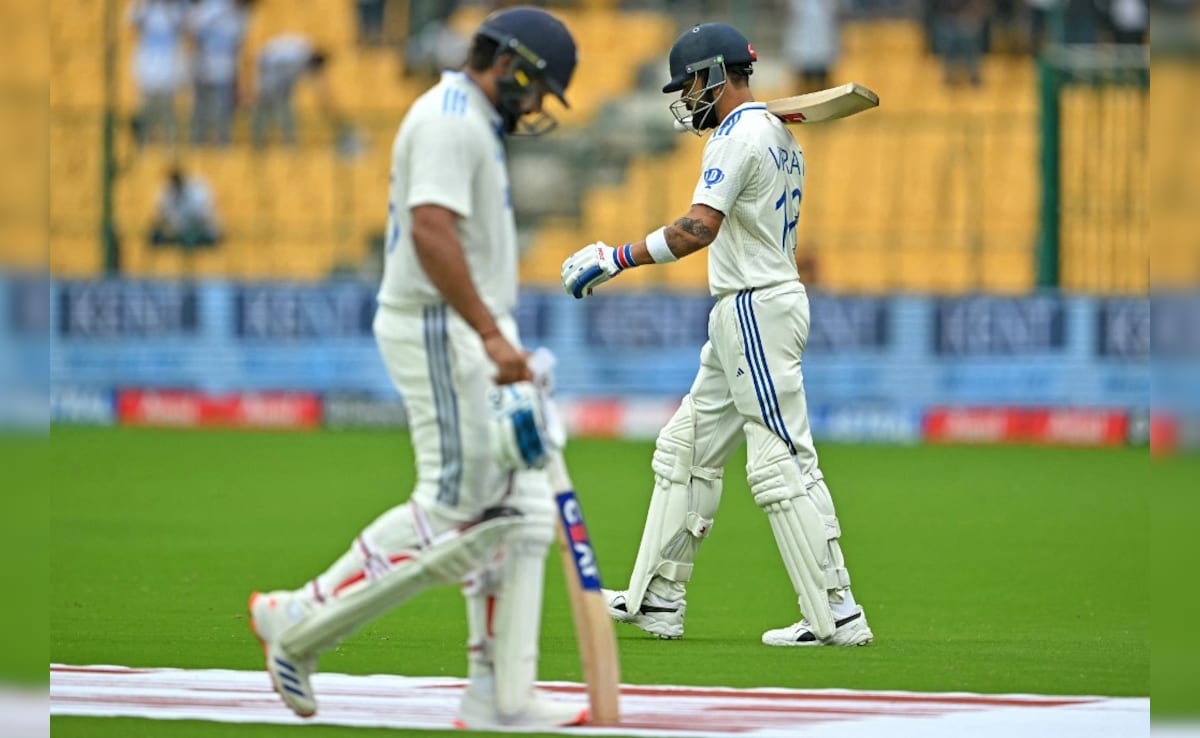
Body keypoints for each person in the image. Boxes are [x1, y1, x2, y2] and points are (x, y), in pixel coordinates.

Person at [248, 6, 586, 729]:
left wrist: (499, 333)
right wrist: (490, 335)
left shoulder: (469, 120)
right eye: (537, 88)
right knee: (460, 510)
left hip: (462, 326)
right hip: (439, 324)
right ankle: (299, 622)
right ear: (512, 66)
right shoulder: (449, 119)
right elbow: (431, 230)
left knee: (521, 512)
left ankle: (499, 694)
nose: (536, 105)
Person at [560, 23, 873, 648]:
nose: (686, 98)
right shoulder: (775, 133)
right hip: (747, 309)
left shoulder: (737, 135)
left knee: (781, 461)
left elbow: (698, 228)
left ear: (712, 75)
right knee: (686, 449)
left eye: (689, 84)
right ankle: (658, 598)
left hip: (755, 308)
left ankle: (835, 610)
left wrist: (616, 257)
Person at [187, 0, 254, 146]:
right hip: (211, 68)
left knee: (215, 111)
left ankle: (211, 146)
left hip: (217, 69)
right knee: (209, 110)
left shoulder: (239, 16)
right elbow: (194, 32)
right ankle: (208, 144)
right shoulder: (222, 10)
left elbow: (236, 47)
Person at [250, 34, 330, 147]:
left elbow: (309, 80)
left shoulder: (304, 56)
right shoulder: (299, 53)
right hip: (269, 69)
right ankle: (259, 140)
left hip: (280, 74)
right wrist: (265, 86)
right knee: (264, 106)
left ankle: (289, 140)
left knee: (286, 107)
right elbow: (270, 61)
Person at [127, 0, 188, 146]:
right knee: (146, 112)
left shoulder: (176, 9)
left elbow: (185, 24)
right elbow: (131, 19)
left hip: (168, 73)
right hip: (148, 72)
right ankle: (144, 145)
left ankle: (169, 147)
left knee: (168, 115)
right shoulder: (145, 9)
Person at [148, 166, 221, 248]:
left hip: (202, 230)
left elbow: (203, 215)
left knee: (191, 240)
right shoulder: (168, 193)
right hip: (180, 232)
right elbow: (161, 214)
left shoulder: (197, 190)